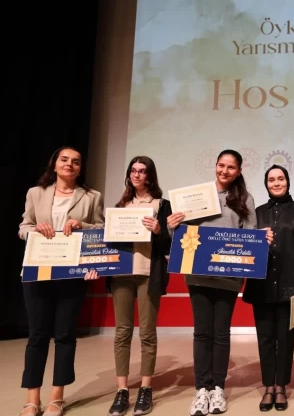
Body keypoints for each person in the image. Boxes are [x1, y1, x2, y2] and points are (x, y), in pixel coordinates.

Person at [166, 149, 273, 416]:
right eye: (221, 165)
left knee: (221, 332)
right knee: (202, 332)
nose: (225, 171)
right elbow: (180, 234)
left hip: (229, 273)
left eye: (231, 167)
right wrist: (171, 225)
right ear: (215, 166)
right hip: (197, 273)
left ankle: (218, 389)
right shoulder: (197, 196)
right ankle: (201, 389)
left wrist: (261, 239)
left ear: (238, 171)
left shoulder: (245, 199)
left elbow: (250, 235)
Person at [17, 146, 104, 416]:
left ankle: (57, 396)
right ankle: (32, 399)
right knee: (37, 336)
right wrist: (35, 229)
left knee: (65, 335)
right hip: (38, 270)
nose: (70, 164)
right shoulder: (35, 193)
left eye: (76, 162)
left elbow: (101, 229)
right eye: (64, 160)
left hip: (72, 274)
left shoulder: (92, 196)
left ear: (80, 168)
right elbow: (23, 227)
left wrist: (82, 226)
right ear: (54, 164)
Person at [242, 164, 294, 412]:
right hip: (260, 283)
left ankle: (281, 386)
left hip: (289, 284)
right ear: (266, 184)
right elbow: (245, 244)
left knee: (285, 338)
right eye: (271, 179)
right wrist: (256, 239)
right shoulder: (256, 213)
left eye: (280, 178)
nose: (276, 183)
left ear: (287, 181)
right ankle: (268, 387)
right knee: (264, 338)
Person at [106, 156, 173, 416]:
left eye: (142, 171)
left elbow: (170, 244)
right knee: (122, 332)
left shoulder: (162, 205)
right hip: (121, 274)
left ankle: (145, 388)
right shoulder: (120, 206)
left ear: (149, 175)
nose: (136, 175)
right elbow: (109, 243)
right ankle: (122, 390)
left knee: (147, 333)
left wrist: (159, 230)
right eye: (133, 171)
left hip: (148, 274)